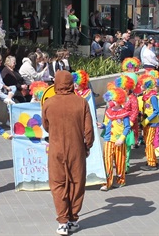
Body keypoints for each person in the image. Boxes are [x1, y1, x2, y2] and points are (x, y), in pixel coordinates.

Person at [41, 70, 94, 235]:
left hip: (56, 148)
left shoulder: (49, 103)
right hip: (76, 148)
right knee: (76, 182)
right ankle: (72, 218)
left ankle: (62, 220)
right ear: (71, 83)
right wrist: (87, 146)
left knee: (58, 184)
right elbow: (89, 130)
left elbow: (46, 125)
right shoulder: (81, 102)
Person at [97, 87, 130, 191]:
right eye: (112, 100)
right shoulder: (108, 111)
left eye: (115, 100)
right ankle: (107, 182)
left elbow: (127, 127)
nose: (112, 102)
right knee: (107, 160)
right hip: (108, 140)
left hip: (119, 141)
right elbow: (107, 123)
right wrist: (101, 125)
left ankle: (121, 180)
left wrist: (121, 138)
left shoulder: (124, 113)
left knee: (120, 162)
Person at [138, 74, 159, 171]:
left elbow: (156, 111)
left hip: (152, 123)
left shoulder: (152, 97)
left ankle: (152, 164)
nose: (140, 86)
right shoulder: (145, 96)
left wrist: (147, 120)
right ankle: (153, 160)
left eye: (142, 85)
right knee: (147, 142)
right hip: (146, 123)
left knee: (148, 143)